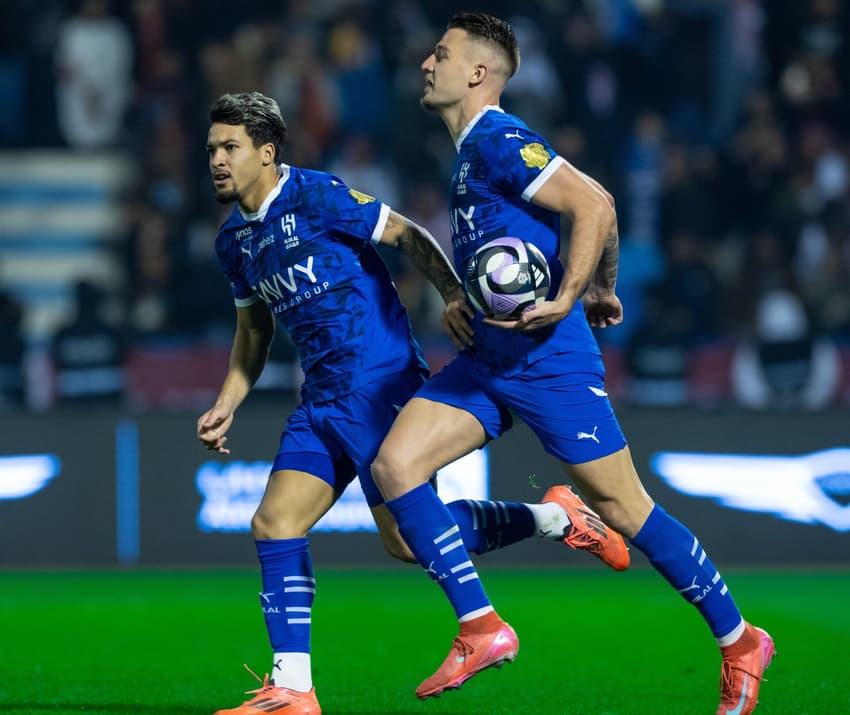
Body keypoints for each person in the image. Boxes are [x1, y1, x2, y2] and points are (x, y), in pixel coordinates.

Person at [370, 13, 775, 715]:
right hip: (490, 356)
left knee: (628, 506)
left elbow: (594, 204)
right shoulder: (468, 153)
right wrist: (600, 285)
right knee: (395, 480)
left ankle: (741, 641)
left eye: (441, 53)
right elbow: (595, 212)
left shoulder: (498, 136)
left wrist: (570, 297)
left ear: (476, 73)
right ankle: (484, 621)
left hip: (548, 361)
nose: (426, 63)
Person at [197, 91, 628, 715]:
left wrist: (454, 294)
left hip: (380, 380)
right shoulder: (233, 244)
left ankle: (547, 530)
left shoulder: (316, 195)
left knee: (403, 541)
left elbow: (409, 234)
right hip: (320, 396)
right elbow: (254, 331)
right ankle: (292, 688)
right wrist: (228, 401)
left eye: (230, 147)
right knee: (274, 523)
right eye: (212, 148)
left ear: (266, 153)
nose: (217, 159)